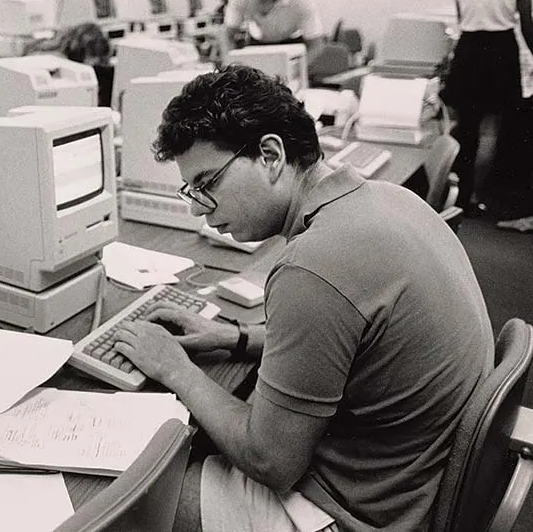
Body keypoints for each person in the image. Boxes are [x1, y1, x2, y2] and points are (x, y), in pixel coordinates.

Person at [112, 65, 493, 532]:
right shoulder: (387, 198)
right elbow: (353, 335)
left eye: (208, 184)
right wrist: (236, 338)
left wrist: (174, 367)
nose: (196, 207)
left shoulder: (311, 267)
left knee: (138, 500)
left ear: (271, 155)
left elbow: (270, 461)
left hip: (362, 511)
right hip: (411, 478)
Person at [442, 0, 533, 216]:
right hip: (499, 50)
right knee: (490, 132)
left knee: (464, 128)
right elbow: (528, 25)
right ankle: (476, 196)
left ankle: (456, 192)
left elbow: (461, 20)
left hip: (468, 50)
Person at [222, 0, 324, 60]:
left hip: (292, 42)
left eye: (263, 2)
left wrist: (297, 71)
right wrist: (230, 67)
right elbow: (227, 36)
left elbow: (316, 45)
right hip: (257, 43)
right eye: (256, 1)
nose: (259, 8)